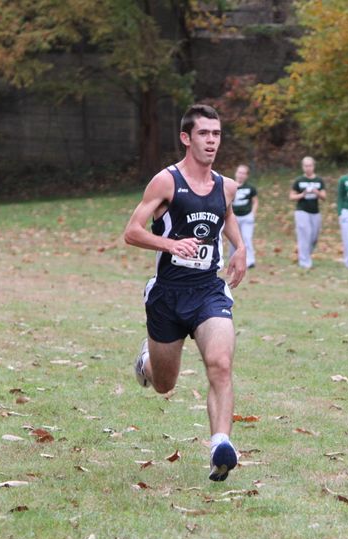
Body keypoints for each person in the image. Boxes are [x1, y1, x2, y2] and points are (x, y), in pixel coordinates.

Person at [123, 104, 247, 482]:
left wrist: (240, 248)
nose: (212, 141)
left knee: (221, 363)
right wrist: (169, 245)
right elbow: (132, 231)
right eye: (204, 134)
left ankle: (221, 445)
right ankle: (146, 362)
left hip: (209, 291)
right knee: (165, 384)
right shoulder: (166, 182)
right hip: (168, 295)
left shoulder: (227, 186)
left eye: (217, 134)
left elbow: (225, 214)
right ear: (186, 138)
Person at [290, 156, 325, 269]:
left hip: (315, 212)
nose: (308, 168)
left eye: (310, 165)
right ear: (303, 167)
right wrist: (302, 194)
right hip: (301, 211)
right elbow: (291, 196)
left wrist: (316, 192)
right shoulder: (299, 181)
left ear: (313, 166)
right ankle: (305, 262)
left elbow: (324, 197)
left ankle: (305, 255)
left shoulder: (319, 181)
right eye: (305, 166)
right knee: (305, 235)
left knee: (313, 238)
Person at [229, 164, 258, 269]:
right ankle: (233, 260)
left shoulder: (250, 188)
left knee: (247, 238)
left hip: (246, 217)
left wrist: (253, 214)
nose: (241, 175)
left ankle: (250, 261)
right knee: (234, 240)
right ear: (236, 173)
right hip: (233, 218)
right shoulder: (230, 186)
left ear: (246, 176)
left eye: (243, 173)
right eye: (239, 172)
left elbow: (255, 202)